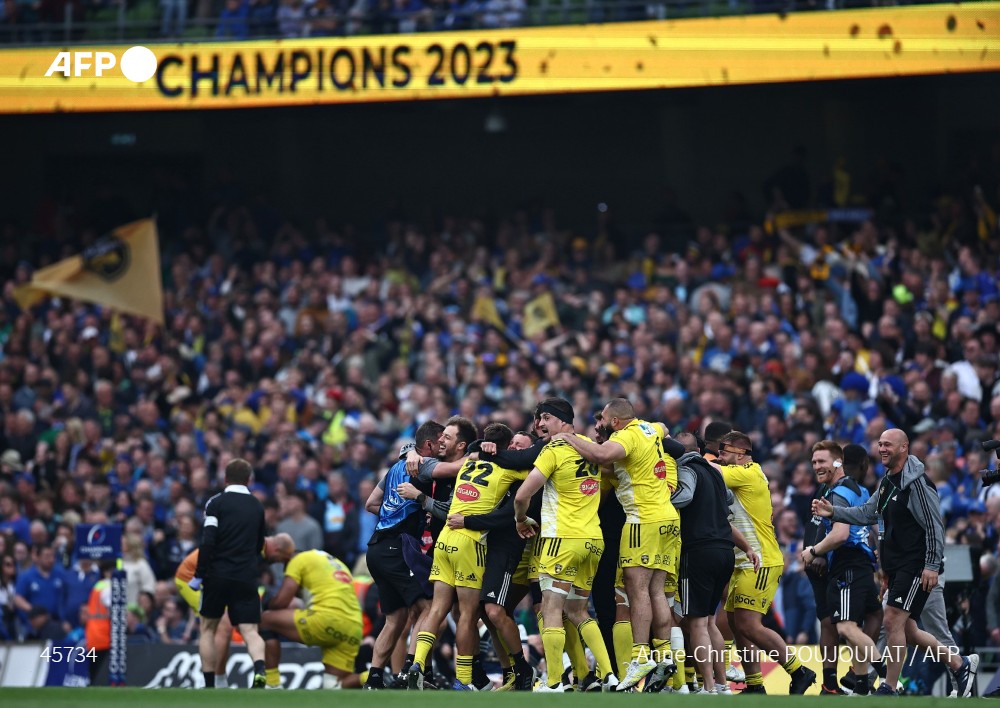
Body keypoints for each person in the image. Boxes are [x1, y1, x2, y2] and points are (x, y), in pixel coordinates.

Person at [813, 428, 979, 697]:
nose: (882, 449)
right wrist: (834, 511)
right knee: (909, 631)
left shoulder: (917, 484)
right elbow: (868, 513)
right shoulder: (887, 482)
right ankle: (960, 665)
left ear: (904, 447)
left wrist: (932, 565)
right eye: (879, 444)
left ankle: (889, 686)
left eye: (888, 444)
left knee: (892, 620)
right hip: (898, 568)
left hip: (916, 565)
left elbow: (935, 526)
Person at [554, 397, 678, 691]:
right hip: (668, 520)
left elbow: (599, 455)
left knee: (635, 591)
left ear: (615, 422)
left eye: (605, 420)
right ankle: (665, 656)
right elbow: (663, 427)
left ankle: (639, 656)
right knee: (657, 591)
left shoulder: (627, 436)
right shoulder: (650, 428)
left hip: (642, 520)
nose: (602, 425)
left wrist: (568, 437)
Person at [407, 416, 525, 691]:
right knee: (469, 615)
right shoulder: (507, 470)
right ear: (506, 447)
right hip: (469, 542)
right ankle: (463, 679)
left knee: (437, 609)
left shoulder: (468, 463)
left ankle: (418, 663)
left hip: (445, 537)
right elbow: (532, 472)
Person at [515, 397, 617, 693]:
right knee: (579, 611)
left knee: (551, 610)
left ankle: (555, 681)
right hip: (592, 541)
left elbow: (523, 495)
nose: (539, 425)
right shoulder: (590, 446)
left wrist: (521, 518)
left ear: (562, 420)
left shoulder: (555, 449)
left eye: (545, 418)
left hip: (562, 540)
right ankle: (608, 674)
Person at [712, 430, 816, 695]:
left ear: (741, 453)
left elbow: (709, 470)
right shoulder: (740, 474)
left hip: (760, 561)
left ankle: (799, 671)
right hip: (744, 560)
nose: (720, 456)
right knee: (737, 625)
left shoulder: (748, 473)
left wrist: (688, 456)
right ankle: (755, 684)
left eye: (724, 451)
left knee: (749, 625)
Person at [362, 422, 442, 690]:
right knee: (428, 608)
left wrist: (392, 512)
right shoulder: (426, 465)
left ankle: (374, 678)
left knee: (395, 619)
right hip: (398, 546)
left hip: (376, 548)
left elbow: (371, 503)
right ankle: (411, 669)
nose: (443, 446)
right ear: (429, 445)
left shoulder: (395, 467)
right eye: (441, 441)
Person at [798, 440, 880, 696]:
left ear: (838, 462)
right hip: (844, 564)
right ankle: (849, 681)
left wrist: (816, 551)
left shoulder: (841, 491)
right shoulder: (839, 489)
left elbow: (842, 531)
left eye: (821, 461)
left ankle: (870, 675)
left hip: (839, 563)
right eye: (813, 462)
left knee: (843, 625)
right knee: (847, 621)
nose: (816, 467)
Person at [175, 535, 295, 688]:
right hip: (190, 577)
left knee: (241, 624)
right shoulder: (254, 545)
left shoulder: (255, 545)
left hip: (217, 577)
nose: (275, 562)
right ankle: (217, 681)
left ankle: (227, 679)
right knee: (222, 625)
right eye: (279, 558)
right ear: (276, 549)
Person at [190, 458, 268, 689]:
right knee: (250, 630)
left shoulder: (216, 504)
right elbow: (259, 543)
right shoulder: (257, 506)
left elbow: (208, 542)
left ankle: (209, 683)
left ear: (225, 478)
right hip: (245, 575)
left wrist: (199, 575)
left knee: (207, 628)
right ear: (249, 479)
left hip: (217, 575)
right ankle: (259, 670)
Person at [261, 548, 365, 689]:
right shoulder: (337, 563)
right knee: (332, 685)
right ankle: (372, 676)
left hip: (327, 619)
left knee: (264, 620)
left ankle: (272, 684)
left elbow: (281, 602)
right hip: (354, 628)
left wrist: (268, 602)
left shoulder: (297, 559)